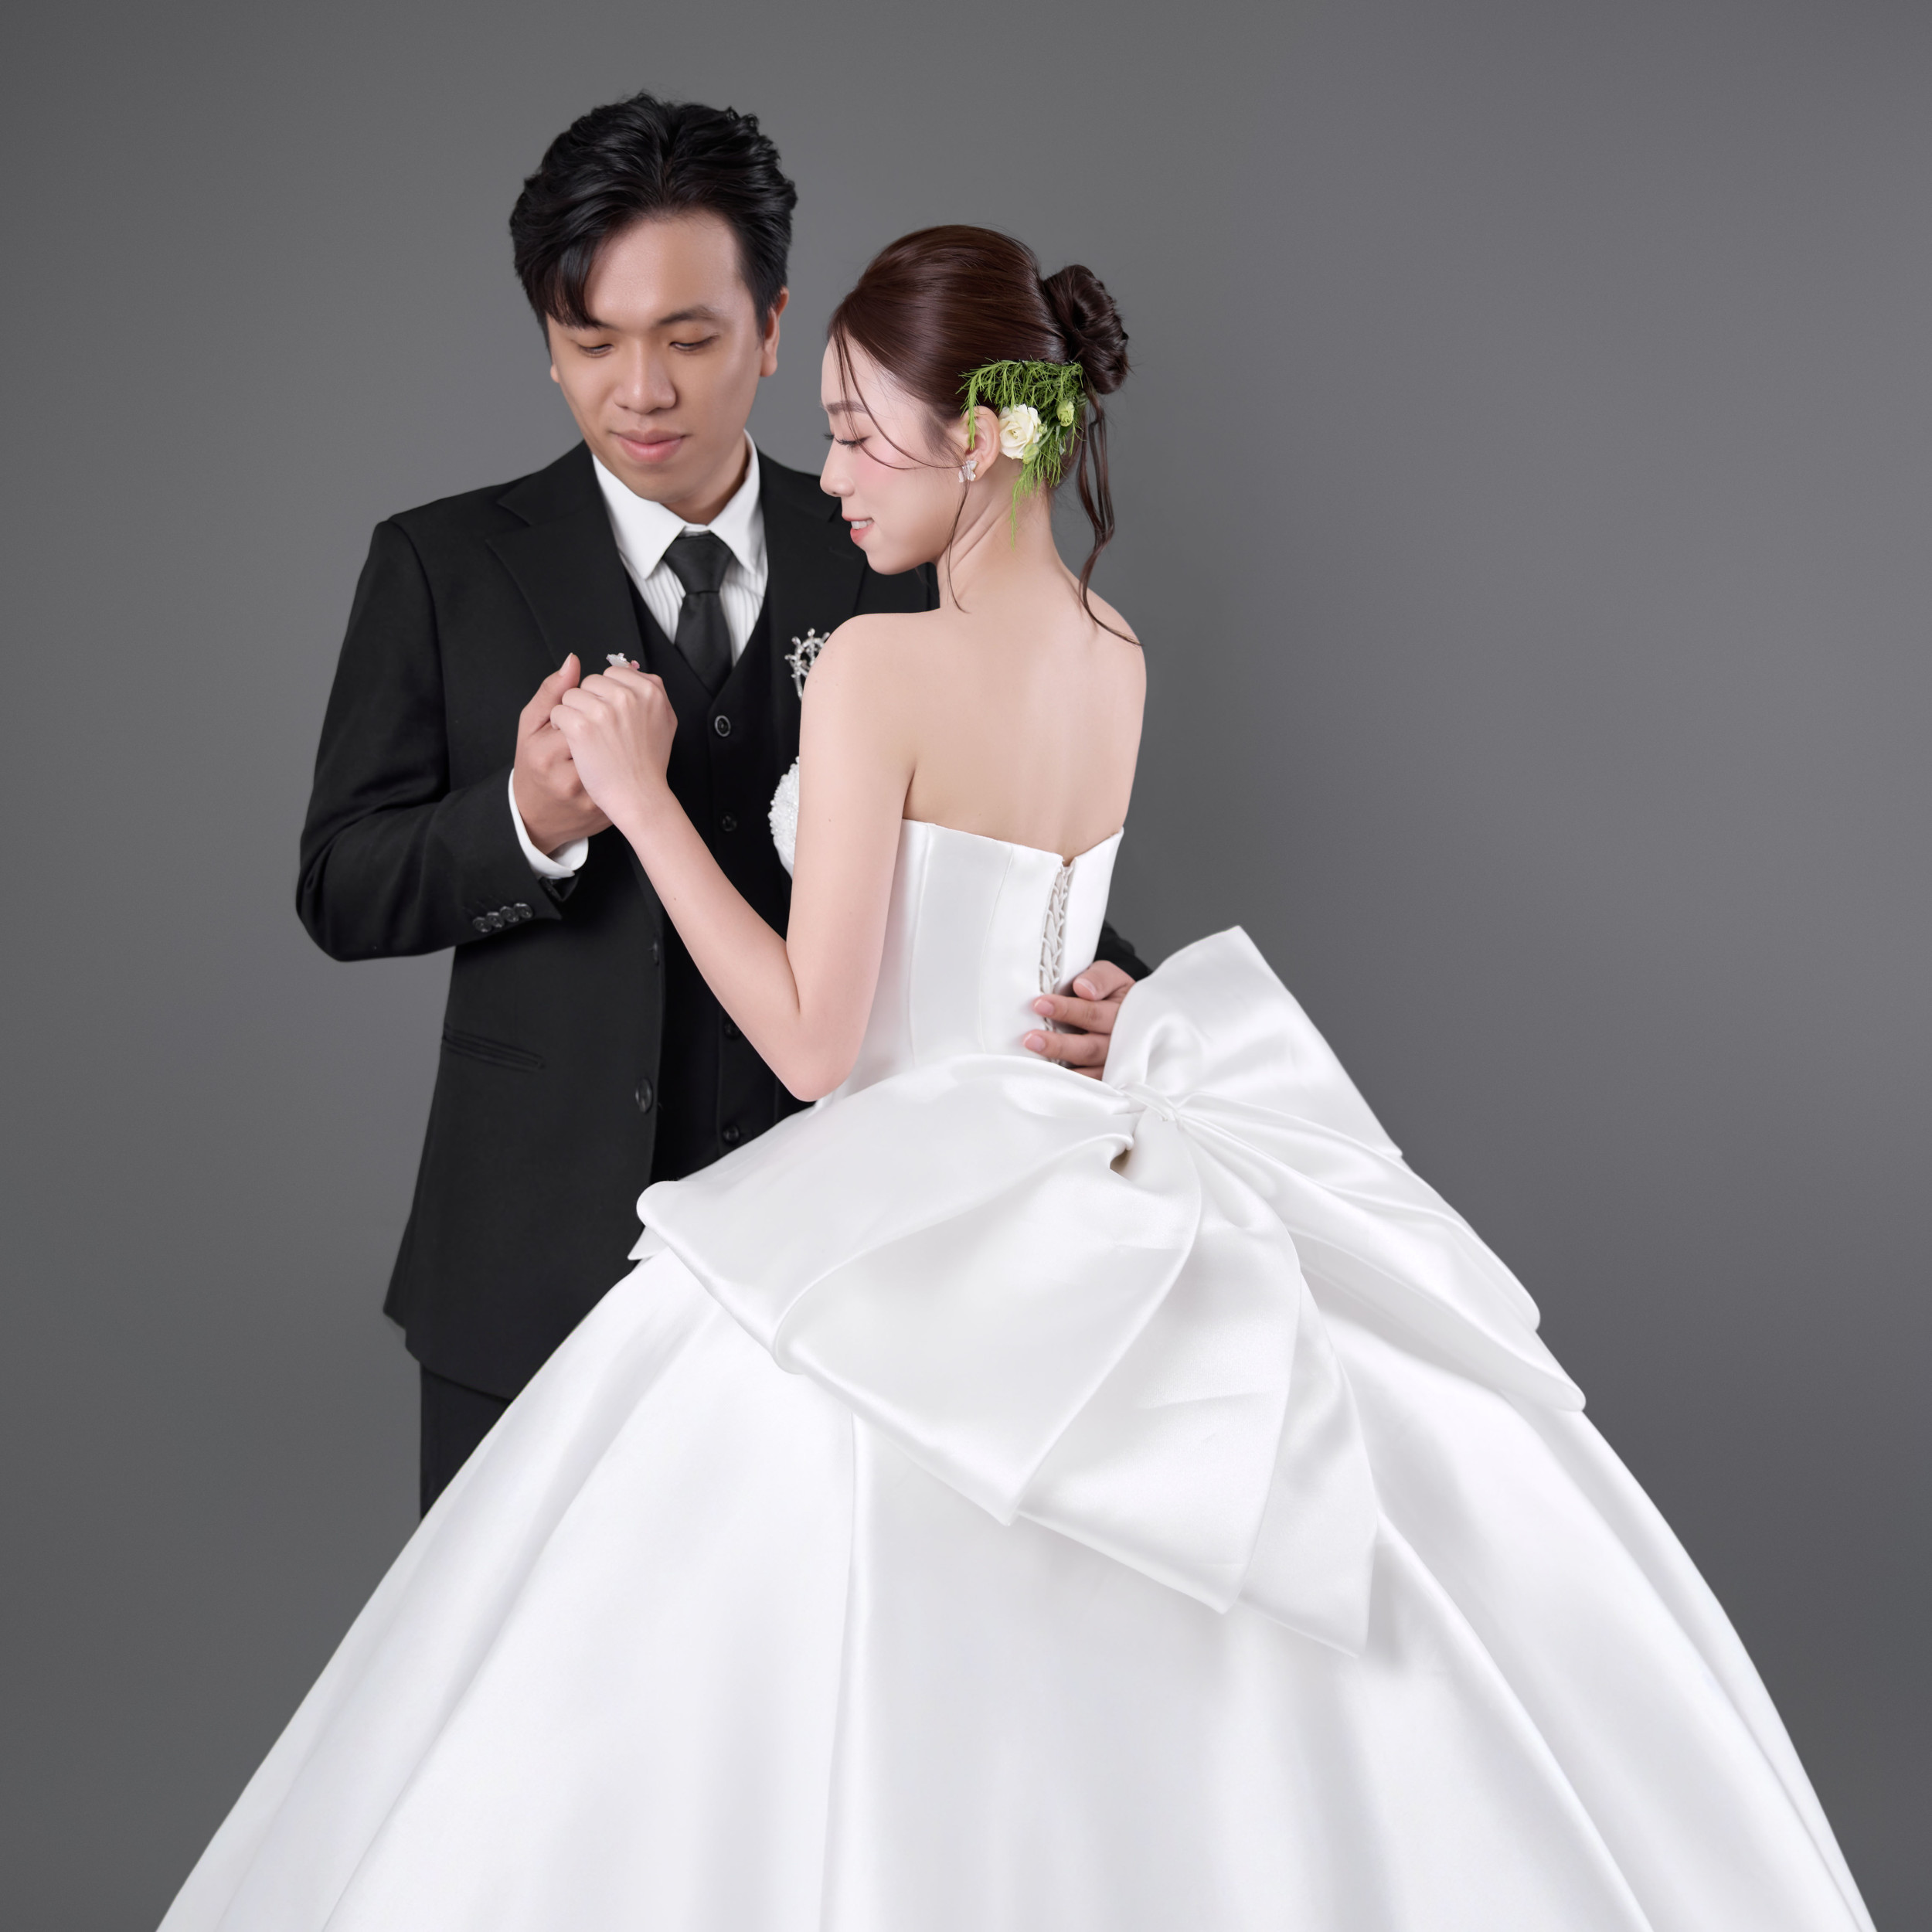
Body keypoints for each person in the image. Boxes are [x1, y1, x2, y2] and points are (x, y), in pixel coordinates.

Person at [165, 226, 1873, 1931]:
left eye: (857, 430)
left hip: (900, 1188)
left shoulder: (882, 664)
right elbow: (1029, 925)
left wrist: (640, 798)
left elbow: (818, 1046)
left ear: (982, 433)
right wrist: (1119, 995)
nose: (833, 473)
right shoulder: (1114, 651)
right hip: (1076, 1156)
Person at [294, 95, 1145, 1514]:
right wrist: (527, 818)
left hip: (836, 1287)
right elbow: (339, 881)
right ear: (547, 340)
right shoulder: (442, 566)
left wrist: (1127, 993)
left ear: (771, 326)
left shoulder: (893, 543)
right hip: (528, 1269)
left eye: (689, 339)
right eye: (593, 343)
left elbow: (1005, 840)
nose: (641, 390)